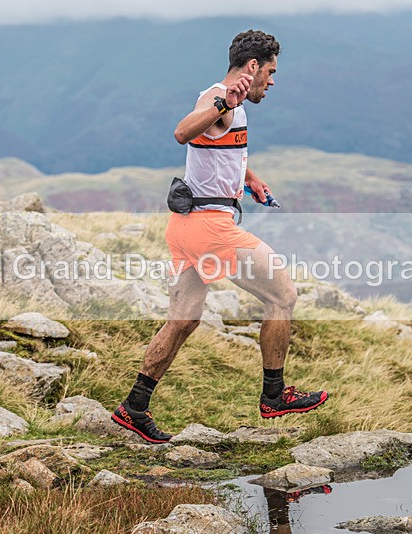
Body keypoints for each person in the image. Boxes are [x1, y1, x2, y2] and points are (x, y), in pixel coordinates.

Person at [111, 30, 328, 443]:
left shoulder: (234, 107)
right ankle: (274, 395)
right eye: (270, 71)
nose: (273, 80)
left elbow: (219, 146)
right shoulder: (218, 98)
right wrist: (221, 104)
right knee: (283, 295)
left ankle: (134, 406)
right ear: (252, 68)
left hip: (186, 227)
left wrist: (249, 178)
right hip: (211, 228)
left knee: (184, 319)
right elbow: (183, 132)